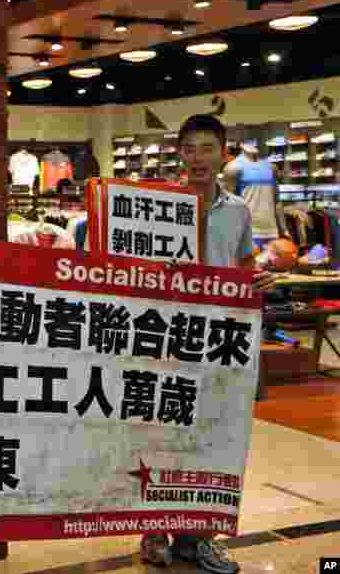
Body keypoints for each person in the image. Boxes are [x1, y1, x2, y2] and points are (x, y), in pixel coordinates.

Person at [139, 114, 278, 573]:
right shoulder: (154, 205)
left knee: (212, 440)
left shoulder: (237, 210)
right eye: (190, 148)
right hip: (165, 339)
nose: (198, 158)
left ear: (223, 154)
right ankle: (154, 531)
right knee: (161, 438)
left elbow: (243, 267)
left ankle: (196, 538)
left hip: (219, 342)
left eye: (207, 148)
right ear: (180, 154)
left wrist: (259, 279)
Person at [221, 141, 288, 252]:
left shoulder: (271, 168)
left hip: (272, 232)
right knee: (250, 268)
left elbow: (277, 201)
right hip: (247, 233)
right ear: (241, 146)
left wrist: (283, 229)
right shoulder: (233, 168)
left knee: (269, 268)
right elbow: (226, 203)